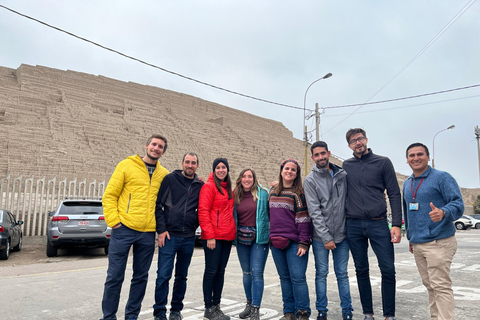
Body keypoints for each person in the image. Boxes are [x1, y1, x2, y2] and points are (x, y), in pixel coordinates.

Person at [101, 134, 169, 320]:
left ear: (163, 152)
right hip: (123, 230)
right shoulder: (126, 165)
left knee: (140, 278)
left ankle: (131, 316)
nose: (156, 148)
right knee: (115, 276)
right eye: (154, 144)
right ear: (146, 145)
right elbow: (109, 196)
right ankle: (108, 317)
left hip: (147, 234)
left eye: (160, 147)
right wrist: (114, 221)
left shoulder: (163, 174)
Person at [342, 128, 401, 320]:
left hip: (378, 223)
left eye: (360, 139)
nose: (357, 143)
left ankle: (389, 315)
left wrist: (397, 225)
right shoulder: (346, 165)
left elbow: (393, 193)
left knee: (388, 269)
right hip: (353, 225)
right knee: (361, 270)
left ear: (366, 139)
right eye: (353, 141)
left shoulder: (383, 162)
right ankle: (368, 313)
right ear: (349, 145)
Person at [403, 143, 464, 320]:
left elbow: (458, 204)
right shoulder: (407, 183)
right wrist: (411, 239)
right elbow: (408, 213)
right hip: (418, 243)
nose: (416, 158)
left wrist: (444, 212)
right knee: (430, 286)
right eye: (411, 155)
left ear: (428, 157)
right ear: (407, 160)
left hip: (439, 242)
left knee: (440, 285)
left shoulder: (442, 178)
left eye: (420, 154)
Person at [304, 141, 353, 320]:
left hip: (342, 235)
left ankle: (347, 311)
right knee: (321, 274)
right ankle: (322, 311)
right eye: (316, 155)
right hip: (320, 238)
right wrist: (326, 237)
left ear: (329, 153)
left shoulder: (343, 175)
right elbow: (314, 212)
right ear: (312, 158)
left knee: (342, 274)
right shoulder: (310, 180)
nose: (320, 157)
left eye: (323, 153)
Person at [153, 153, 204, 320]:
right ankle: (159, 312)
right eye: (187, 162)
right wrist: (161, 230)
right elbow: (158, 205)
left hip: (188, 238)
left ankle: (176, 311)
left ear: (197, 166)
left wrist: (193, 225)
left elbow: (202, 209)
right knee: (163, 276)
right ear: (182, 163)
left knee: (181, 276)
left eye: (193, 163)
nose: (190, 165)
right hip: (169, 236)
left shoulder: (199, 185)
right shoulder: (170, 179)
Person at [269, 159, 312, 320]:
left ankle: (302, 312)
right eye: (287, 168)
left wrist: (303, 242)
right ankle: (288, 312)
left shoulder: (298, 193)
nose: (289, 171)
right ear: (281, 171)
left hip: (295, 243)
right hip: (276, 242)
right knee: (284, 278)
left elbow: (304, 219)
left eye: (293, 170)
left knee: (298, 278)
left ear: (296, 174)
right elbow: (268, 215)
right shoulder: (273, 191)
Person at [198, 158, 236, 320]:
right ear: (214, 170)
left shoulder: (229, 189)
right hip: (213, 237)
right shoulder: (208, 187)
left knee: (220, 272)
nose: (221, 170)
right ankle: (208, 308)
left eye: (224, 167)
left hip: (227, 237)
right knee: (211, 271)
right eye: (218, 168)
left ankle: (216, 307)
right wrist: (209, 235)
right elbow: (203, 211)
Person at [233, 169, 270, 320]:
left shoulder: (263, 193)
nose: (247, 179)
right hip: (241, 239)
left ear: (254, 179)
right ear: (240, 178)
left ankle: (256, 308)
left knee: (257, 273)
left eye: (250, 176)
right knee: (246, 273)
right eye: (244, 176)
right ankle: (249, 304)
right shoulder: (235, 194)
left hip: (259, 239)